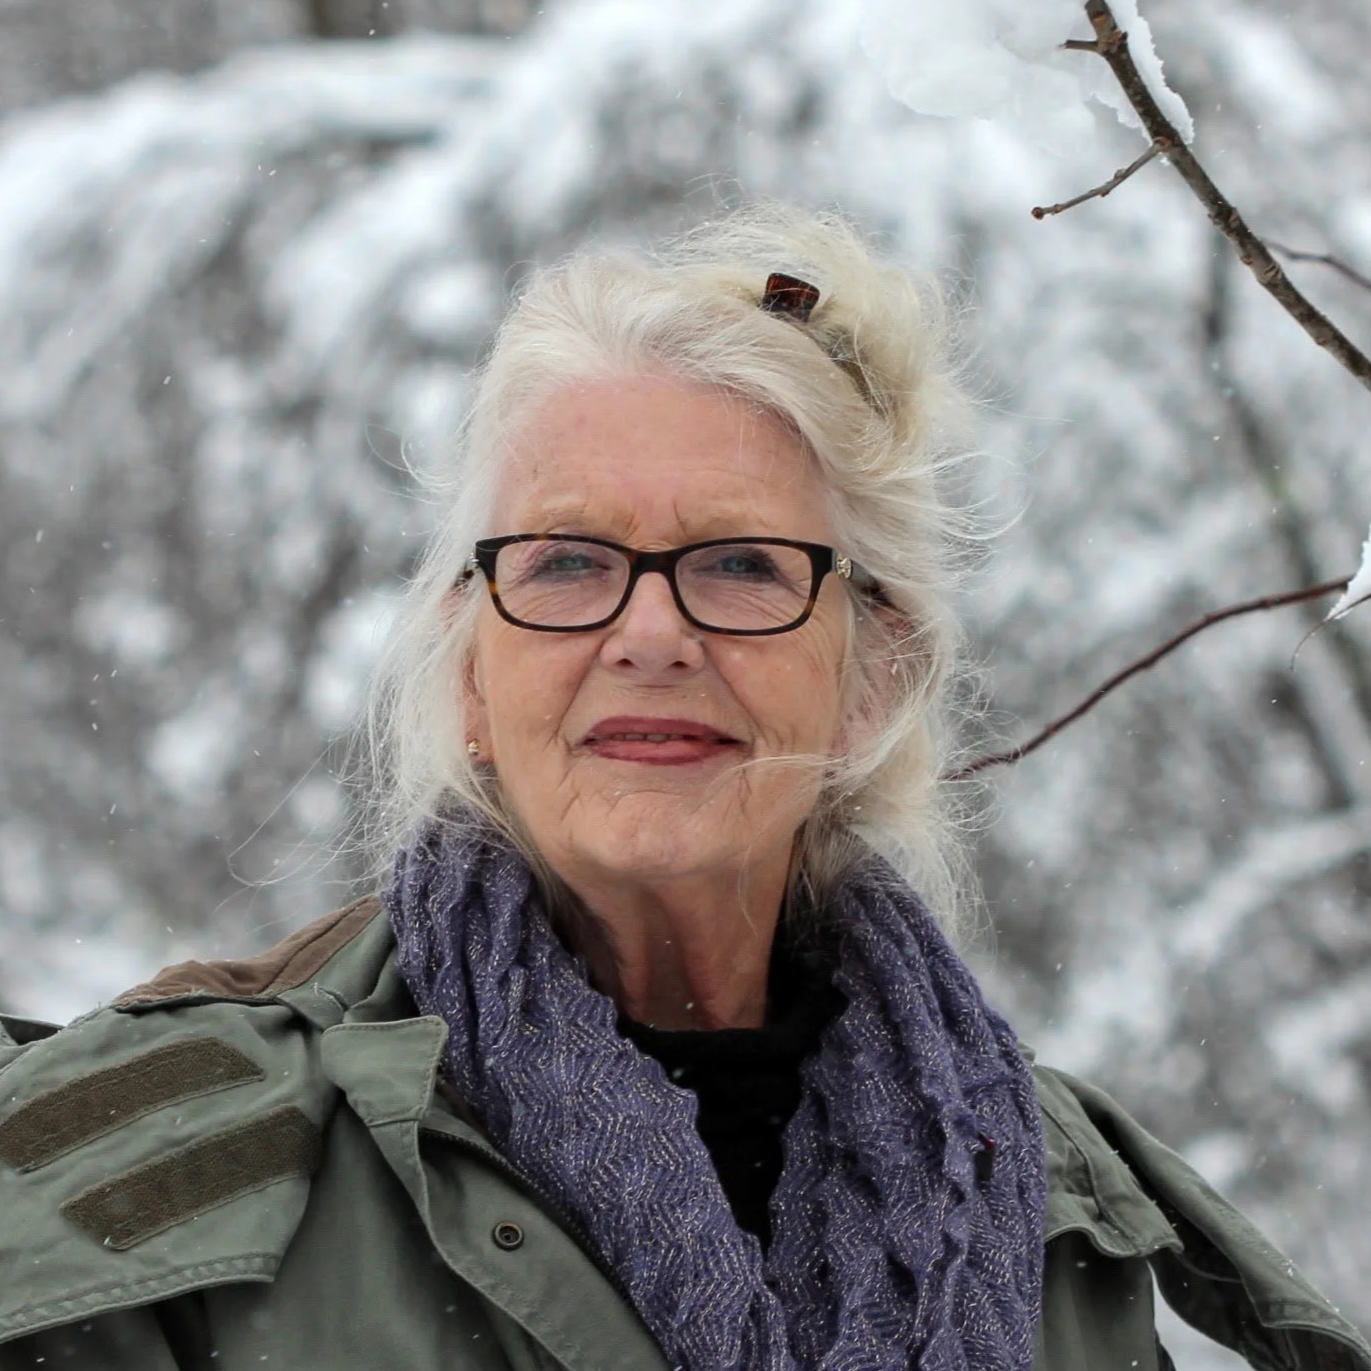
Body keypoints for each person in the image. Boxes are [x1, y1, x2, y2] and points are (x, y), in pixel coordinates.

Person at [0, 207, 1366, 1371]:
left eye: (740, 566)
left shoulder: (1049, 1206)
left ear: (872, 675)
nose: (648, 634)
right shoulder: (162, 1164)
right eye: (566, 563)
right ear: (471, 673)